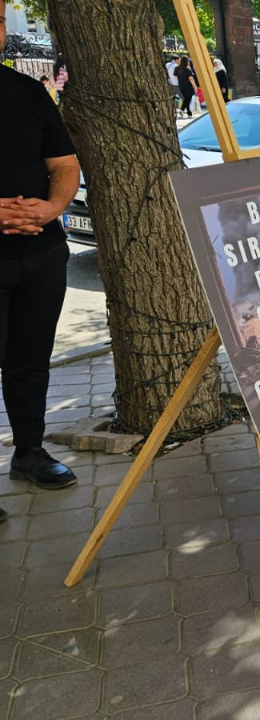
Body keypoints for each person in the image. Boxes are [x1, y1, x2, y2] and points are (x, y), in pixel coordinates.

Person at [0, 25, 86, 528]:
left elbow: (66, 165)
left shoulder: (27, 92)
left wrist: (51, 208)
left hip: (42, 253)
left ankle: (29, 453)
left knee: (30, 361)